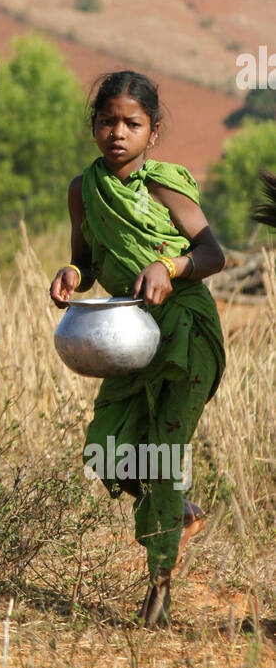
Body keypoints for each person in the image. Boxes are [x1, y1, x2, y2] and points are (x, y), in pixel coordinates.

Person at [49, 71, 226, 628]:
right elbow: (90, 258)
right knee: (108, 449)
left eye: (132, 123)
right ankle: (183, 514)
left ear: (152, 131)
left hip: (184, 334)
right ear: (93, 127)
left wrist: (169, 267)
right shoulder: (85, 190)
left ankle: (159, 593)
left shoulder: (164, 185)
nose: (117, 133)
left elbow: (213, 253)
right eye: (107, 122)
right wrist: (72, 273)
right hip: (129, 337)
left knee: (165, 454)